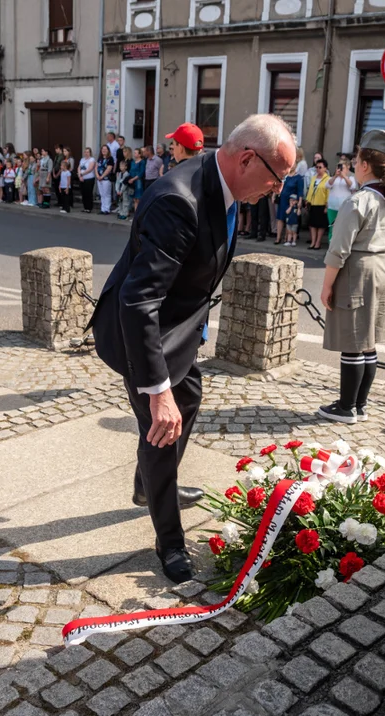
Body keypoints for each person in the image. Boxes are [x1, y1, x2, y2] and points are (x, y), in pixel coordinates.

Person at [90, 114, 296, 583]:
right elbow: (138, 301)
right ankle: (169, 540)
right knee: (162, 429)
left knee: (192, 398)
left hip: (177, 329)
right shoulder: (176, 201)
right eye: (276, 179)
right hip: (140, 335)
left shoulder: (221, 184)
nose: (277, 191)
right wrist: (157, 389)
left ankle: (148, 484)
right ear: (247, 158)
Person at [317, 130, 385, 424]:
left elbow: (338, 249)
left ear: (365, 164)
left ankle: (345, 408)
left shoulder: (358, 202)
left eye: (356, 160)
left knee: (353, 341)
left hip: (359, 271)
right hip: (384, 270)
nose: (354, 164)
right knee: (368, 342)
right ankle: (360, 404)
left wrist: (327, 285)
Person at [326, 159, 357, 242]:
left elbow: (352, 186)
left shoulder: (351, 178)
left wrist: (344, 176)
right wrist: (336, 176)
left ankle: (340, 245)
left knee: (342, 227)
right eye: (338, 167)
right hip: (332, 207)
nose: (340, 169)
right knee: (332, 226)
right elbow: (327, 185)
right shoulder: (334, 178)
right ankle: (331, 244)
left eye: (342, 168)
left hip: (343, 208)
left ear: (347, 168)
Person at [274, 161, 304, 244]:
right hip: (282, 199)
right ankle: (278, 237)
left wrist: (299, 202)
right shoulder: (285, 176)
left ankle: (287, 238)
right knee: (280, 218)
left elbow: (300, 191)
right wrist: (274, 195)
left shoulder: (298, 178)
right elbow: (279, 185)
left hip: (291, 201)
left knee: (288, 219)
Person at [305, 158, 331, 250]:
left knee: (320, 225)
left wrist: (326, 205)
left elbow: (328, 193)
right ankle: (312, 242)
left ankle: (318, 242)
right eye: (317, 167)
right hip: (313, 204)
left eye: (320, 167)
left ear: (325, 168)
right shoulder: (314, 178)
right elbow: (310, 190)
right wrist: (307, 200)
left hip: (321, 204)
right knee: (312, 224)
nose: (318, 169)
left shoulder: (328, 179)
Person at [96, 145, 115, 215]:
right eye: (102, 149)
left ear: (108, 150)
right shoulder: (100, 158)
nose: (104, 150)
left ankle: (107, 209)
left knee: (107, 194)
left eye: (105, 149)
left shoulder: (110, 159)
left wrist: (102, 176)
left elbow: (109, 169)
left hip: (106, 179)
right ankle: (102, 208)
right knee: (102, 194)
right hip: (99, 179)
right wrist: (98, 176)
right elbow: (96, 167)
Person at [77, 148, 96, 213]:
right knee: (83, 193)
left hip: (89, 179)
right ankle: (85, 207)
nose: (86, 153)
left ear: (90, 153)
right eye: (85, 152)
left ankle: (89, 208)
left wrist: (82, 174)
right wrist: (79, 175)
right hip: (82, 179)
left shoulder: (92, 159)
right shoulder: (82, 159)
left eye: (88, 152)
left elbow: (90, 169)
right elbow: (79, 168)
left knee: (88, 193)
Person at [129, 148, 145, 212]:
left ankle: (138, 213)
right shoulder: (133, 162)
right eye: (134, 152)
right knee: (134, 199)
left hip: (138, 181)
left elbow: (141, 172)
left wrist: (133, 179)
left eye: (136, 153)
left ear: (139, 154)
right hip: (132, 181)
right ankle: (136, 214)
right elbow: (130, 170)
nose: (134, 154)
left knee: (138, 198)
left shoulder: (142, 162)